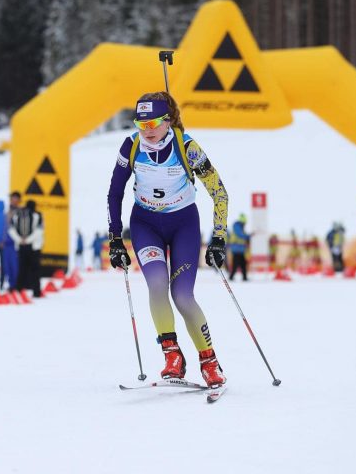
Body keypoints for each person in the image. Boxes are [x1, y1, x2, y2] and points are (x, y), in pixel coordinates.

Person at [106, 91, 229, 388]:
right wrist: (115, 239)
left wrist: (219, 238)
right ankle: (172, 354)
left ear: (168, 121)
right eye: (141, 124)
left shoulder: (187, 147)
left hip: (183, 224)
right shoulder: (131, 146)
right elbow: (114, 192)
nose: (147, 131)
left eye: (154, 124)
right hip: (146, 224)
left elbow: (219, 191)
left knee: (183, 296)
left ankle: (209, 361)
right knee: (157, 285)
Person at [9, 199, 44, 297]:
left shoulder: (16, 215)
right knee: (35, 270)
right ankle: (36, 292)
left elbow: (11, 229)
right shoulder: (38, 215)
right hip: (34, 247)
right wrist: (27, 240)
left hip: (21, 246)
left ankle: (19, 290)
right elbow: (39, 230)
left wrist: (20, 240)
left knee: (22, 269)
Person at [2, 191, 21, 291]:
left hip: (15, 242)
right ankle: (11, 284)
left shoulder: (20, 212)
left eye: (15, 198)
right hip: (6, 243)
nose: (13, 200)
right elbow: (5, 227)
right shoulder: (7, 212)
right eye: (12, 198)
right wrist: (2, 239)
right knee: (7, 265)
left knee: (15, 265)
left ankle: (16, 284)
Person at [229, 214, 250, 281]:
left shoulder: (240, 227)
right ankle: (232, 277)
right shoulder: (237, 226)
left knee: (243, 263)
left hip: (240, 249)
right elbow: (241, 235)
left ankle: (244, 277)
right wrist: (248, 236)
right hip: (236, 249)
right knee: (236, 264)